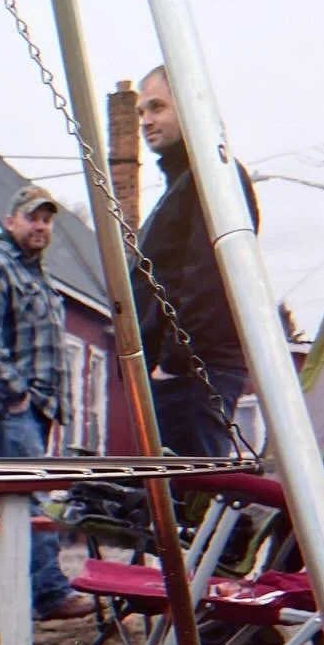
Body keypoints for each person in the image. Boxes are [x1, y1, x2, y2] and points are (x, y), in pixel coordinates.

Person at [0, 188, 92, 623]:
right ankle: (49, 593)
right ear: (10, 220)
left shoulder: (40, 277)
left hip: (38, 409)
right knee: (30, 496)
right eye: (32, 217)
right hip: (9, 409)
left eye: (47, 220)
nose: (40, 226)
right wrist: (15, 394)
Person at [135, 65, 259, 456]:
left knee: (195, 487)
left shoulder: (215, 176)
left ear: (188, 106)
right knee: (171, 488)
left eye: (157, 107)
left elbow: (211, 280)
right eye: (140, 112)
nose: (146, 121)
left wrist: (174, 363)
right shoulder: (180, 185)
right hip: (174, 375)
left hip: (194, 374)